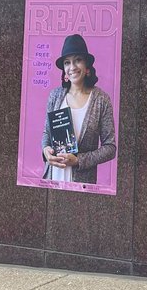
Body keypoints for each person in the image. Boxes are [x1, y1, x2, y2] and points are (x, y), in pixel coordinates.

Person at [41, 34, 116, 184]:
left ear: (87, 66)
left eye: (78, 60)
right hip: (53, 178)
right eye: (67, 63)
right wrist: (46, 150)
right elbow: (46, 133)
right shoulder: (55, 96)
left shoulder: (101, 100)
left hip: (82, 185)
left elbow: (110, 148)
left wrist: (79, 160)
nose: (72, 67)